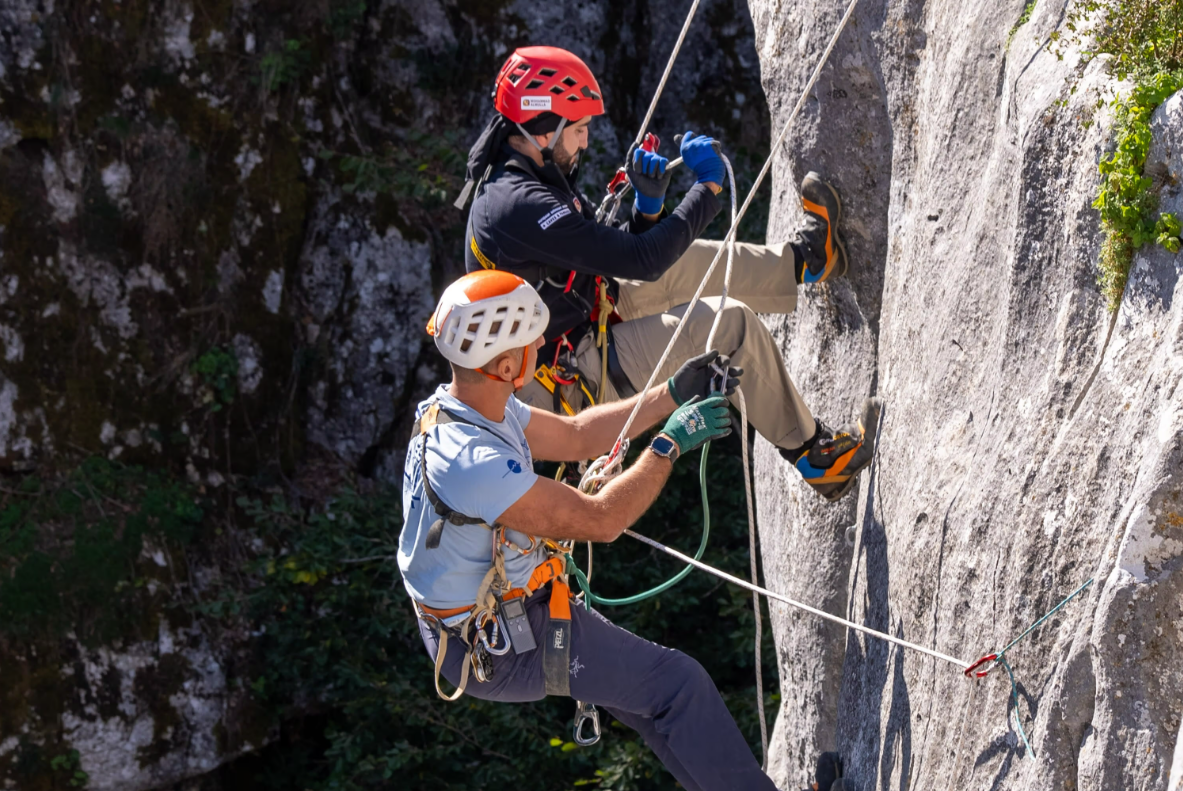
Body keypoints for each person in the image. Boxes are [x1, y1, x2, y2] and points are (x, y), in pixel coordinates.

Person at [400, 269, 779, 791]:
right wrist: (668, 445)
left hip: (484, 619)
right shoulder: (472, 463)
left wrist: (671, 393)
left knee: (657, 706)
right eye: (533, 341)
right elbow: (602, 521)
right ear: (507, 365)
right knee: (678, 687)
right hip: (498, 645)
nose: (543, 344)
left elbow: (580, 435)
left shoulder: (467, 406)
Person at [458, 45, 877, 502]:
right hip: (568, 377)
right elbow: (642, 260)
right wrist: (707, 189)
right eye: (578, 130)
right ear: (545, 129)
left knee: (684, 259)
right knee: (730, 324)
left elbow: (620, 253)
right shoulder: (517, 206)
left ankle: (808, 259)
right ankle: (817, 458)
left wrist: (647, 210)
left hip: (579, 319)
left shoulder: (526, 173)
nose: (584, 142)